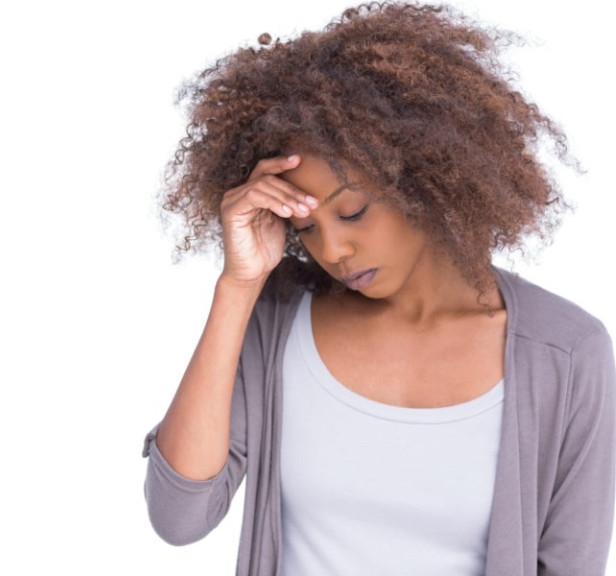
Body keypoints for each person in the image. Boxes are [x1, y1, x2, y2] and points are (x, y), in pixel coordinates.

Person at [141, 3, 616, 575]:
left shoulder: (564, 351)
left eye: (353, 211)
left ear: (424, 174)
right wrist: (238, 288)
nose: (331, 250)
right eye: (305, 227)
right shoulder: (278, 320)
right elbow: (178, 519)